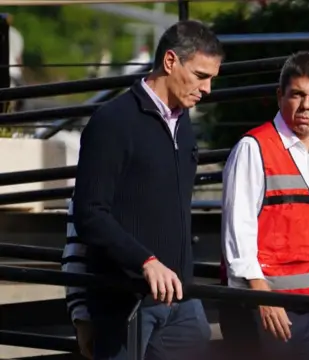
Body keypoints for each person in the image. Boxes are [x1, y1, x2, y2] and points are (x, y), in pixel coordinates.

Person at [68, 20, 224, 360]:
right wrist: (145, 262)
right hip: (125, 303)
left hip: (182, 303)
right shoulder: (112, 122)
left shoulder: (184, 126)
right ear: (170, 62)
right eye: (201, 75)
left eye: (212, 78)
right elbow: (89, 213)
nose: (208, 88)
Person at [219, 51, 309, 360]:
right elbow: (236, 231)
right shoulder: (253, 148)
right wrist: (262, 296)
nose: (305, 105)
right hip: (264, 310)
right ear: (280, 95)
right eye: (296, 94)